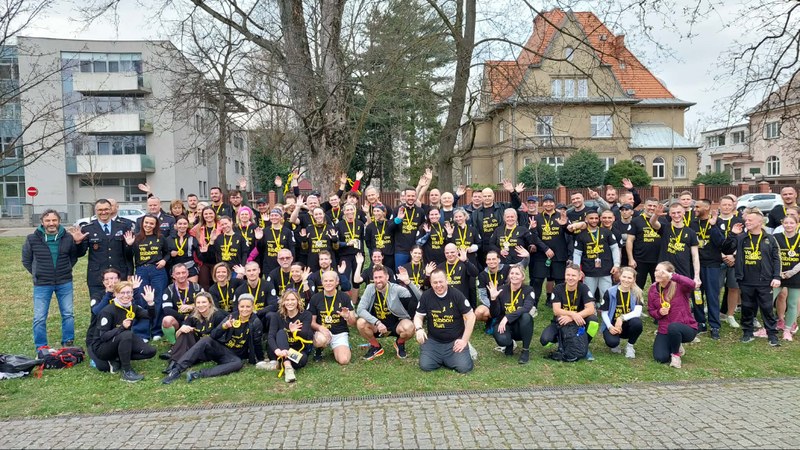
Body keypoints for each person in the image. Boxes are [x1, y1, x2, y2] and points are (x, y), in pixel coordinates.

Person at [161, 294, 264, 384]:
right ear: (238, 306)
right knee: (206, 340)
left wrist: (261, 359)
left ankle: (197, 374)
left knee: (238, 364)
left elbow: (257, 343)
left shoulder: (255, 322)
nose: (244, 309)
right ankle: (176, 370)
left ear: (253, 307)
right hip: (220, 349)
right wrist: (224, 326)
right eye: (242, 306)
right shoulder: (231, 317)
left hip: (234, 355)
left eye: (248, 307)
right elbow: (214, 335)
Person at [722, 209, 782, 346]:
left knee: (767, 308)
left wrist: (776, 276)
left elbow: (776, 259)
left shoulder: (770, 239)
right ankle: (747, 332)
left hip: (765, 280)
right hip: (746, 279)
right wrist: (732, 234)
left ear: (760, 222)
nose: (746, 222)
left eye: (750, 220)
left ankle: (772, 334)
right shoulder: (741, 237)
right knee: (747, 307)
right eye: (746, 220)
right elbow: (726, 250)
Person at [22, 209, 81, 350]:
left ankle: (68, 342)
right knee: (39, 317)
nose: (51, 223)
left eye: (54, 220)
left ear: (59, 221)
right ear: (42, 222)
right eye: (48, 221)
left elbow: (73, 257)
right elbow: (26, 260)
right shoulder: (32, 238)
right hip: (42, 284)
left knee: (68, 314)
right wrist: (37, 273)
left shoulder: (67, 237)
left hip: (64, 281)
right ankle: (41, 347)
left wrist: (65, 268)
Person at [413, 269, 476, 374]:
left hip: (454, 340)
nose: (438, 285)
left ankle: (463, 349)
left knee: (464, 367)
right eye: (435, 282)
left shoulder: (457, 295)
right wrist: (419, 328)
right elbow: (418, 316)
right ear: (431, 283)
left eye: (441, 281)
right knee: (426, 365)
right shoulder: (426, 296)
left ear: (447, 281)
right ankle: (443, 357)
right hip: (434, 340)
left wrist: (464, 340)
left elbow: (471, 317)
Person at [95, 282, 157, 382]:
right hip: (103, 347)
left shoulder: (132, 307)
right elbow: (103, 337)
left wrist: (150, 303)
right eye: (122, 293)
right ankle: (126, 371)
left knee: (150, 351)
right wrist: (122, 327)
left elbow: (150, 316)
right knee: (127, 334)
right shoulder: (107, 311)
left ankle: (118, 359)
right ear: (115, 294)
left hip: (123, 340)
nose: (126, 295)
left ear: (132, 294)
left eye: (129, 292)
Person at [356, 264, 420, 360]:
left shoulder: (396, 288)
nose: (378, 280)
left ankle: (400, 343)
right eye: (375, 277)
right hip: (377, 326)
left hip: (396, 325)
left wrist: (408, 282)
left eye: (380, 277)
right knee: (360, 322)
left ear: (387, 277)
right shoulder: (370, 288)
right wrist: (377, 322)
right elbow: (360, 309)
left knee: (410, 327)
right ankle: (376, 346)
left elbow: (419, 298)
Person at [78, 198, 134, 305]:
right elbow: (81, 253)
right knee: (97, 307)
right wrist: (77, 243)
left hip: (119, 274)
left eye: (106, 209)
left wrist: (129, 245)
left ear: (111, 209)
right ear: (96, 211)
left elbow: (128, 255)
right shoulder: (88, 229)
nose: (103, 212)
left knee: (121, 305)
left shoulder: (122, 226)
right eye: (100, 210)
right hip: (97, 276)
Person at [124, 214, 170, 341]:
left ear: (155, 225)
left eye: (151, 223)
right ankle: (142, 332)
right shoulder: (136, 238)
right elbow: (128, 257)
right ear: (142, 223)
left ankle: (156, 330)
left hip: (158, 271)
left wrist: (164, 261)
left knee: (157, 299)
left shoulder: (161, 238)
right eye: (146, 223)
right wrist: (128, 245)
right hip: (141, 271)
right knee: (141, 300)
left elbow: (167, 253)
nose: (148, 225)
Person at [540, 264, 598, 360]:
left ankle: (584, 346)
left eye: (573, 275)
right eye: (568, 275)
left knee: (593, 320)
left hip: (579, 321)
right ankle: (564, 342)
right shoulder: (558, 288)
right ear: (565, 275)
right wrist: (572, 314)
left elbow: (591, 309)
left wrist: (574, 317)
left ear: (580, 277)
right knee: (545, 341)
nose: (570, 278)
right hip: (561, 321)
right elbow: (556, 310)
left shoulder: (583, 288)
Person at [648, 262, 698, 368]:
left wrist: (673, 276)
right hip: (664, 329)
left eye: (661, 272)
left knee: (674, 327)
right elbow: (651, 310)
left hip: (686, 327)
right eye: (656, 270)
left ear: (670, 273)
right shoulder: (653, 289)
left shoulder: (679, 285)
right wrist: (659, 312)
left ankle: (676, 355)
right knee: (660, 358)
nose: (657, 273)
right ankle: (676, 344)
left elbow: (692, 284)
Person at [162, 292, 227, 374]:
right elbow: (178, 336)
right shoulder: (194, 315)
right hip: (197, 347)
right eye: (198, 303)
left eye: (204, 302)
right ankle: (173, 363)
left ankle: (176, 360)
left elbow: (222, 337)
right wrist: (181, 330)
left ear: (210, 303)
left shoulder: (218, 315)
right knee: (185, 332)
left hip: (212, 348)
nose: (201, 305)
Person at [486, 264, 535, 364]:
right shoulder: (502, 289)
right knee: (502, 340)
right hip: (504, 325)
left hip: (520, 326)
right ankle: (509, 344)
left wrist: (507, 317)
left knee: (526, 317)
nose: (514, 276)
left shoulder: (528, 290)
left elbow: (526, 308)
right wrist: (493, 299)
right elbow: (495, 314)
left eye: (517, 273)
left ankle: (525, 351)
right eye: (512, 273)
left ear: (523, 277)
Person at [569, 210, 620, 302]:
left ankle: (606, 312)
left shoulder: (607, 232)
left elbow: (615, 249)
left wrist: (616, 264)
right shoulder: (581, 235)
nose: (594, 220)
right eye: (591, 218)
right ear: (586, 219)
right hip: (588, 270)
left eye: (596, 218)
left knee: (606, 293)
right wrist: (578, 270)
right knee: (589, 294)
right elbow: (577, 254)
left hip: (606, 269)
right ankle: (591, 312)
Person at [691, 199, 725, 339]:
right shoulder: (693, 224)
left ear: (707, 207)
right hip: (696, 266)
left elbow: (721, 243)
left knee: (712, 296)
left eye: (697, 207)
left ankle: (715, 325)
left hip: (712, 266)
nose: (695, 209)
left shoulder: (718, 222)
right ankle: (700, 322)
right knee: (697, 295)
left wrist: (713, 226)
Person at [471, 181, 523, 269]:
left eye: (489, 196)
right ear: (482, 198)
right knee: (486, 271)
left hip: (500, 246)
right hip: (484, 248)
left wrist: (512, 192)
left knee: (501, 270)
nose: (487, 198)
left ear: (493, 196)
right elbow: (475, 230)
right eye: (485, 196)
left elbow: (516, 204)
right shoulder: (476, 213)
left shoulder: (502, 207)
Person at [528, 194, 569, 306]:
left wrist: (565, 224)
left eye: (551, 201)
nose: (548, 204)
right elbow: (534, 237)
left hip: (559, 255)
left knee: (560, 281)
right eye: (546, 202)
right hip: (541, 255)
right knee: (537, 280)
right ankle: (533, 305)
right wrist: (545, 248)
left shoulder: (561, 216)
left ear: (554, 203)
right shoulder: (537, 217)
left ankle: (562, 304)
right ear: (542, 204)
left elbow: (570, 232)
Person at [309, 270, 357, 364]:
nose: (328, 283)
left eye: (331, 281)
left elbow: (353, 323)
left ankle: (342, 347)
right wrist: (320, 328)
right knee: (320, 340)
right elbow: (311, 322)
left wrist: (347, 317)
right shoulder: (315, 298)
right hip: (323, 332)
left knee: (344, 360)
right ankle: (319, 350)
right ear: (322, 282)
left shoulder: (345, 297)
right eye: (325, 281)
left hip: (339, 333)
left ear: (337, 282)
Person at [267, 290, 315, 383]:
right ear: (283, 302)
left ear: (298, 301)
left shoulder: (306, 315)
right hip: (280, 350)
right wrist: (277, 351)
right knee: (281, 333)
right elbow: (271, 336)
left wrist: (295, 332)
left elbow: (305, 334)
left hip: (297, 351)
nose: (290, 302)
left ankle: (280, 364)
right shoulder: (277, 316)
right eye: (287, 300)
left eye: (293, 299)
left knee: (303, 360)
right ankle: (288, 368)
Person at [600, 267, 644, 358]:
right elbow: (604, 312)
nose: (626, 280)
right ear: (620, 277)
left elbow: (637, 312)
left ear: (634, 279)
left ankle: (630, 346)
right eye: (624, 277)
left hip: (628, 325)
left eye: (629, 278)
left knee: (637, 323)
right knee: (612, 343)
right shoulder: (610, 292)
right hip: (613, 325)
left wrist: (621, 318)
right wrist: (609, 326)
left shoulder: (637, 292)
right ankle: (615, 343)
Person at [717, 195, 744, 329]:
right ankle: (715, 313)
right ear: (719, 206)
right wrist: (722, 255)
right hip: (717, 259)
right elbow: (711, 241)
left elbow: (743, 241)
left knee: (734, 288)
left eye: (729, 205)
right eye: (724, 204)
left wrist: (733, 256)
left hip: (734, 260)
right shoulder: (714, 221)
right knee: (716, 288)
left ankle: (730, 315)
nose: (727, 207)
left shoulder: (739, 221)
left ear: (734, 206)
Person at [160, 263, 204, 345]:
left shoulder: (197, 287)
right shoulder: (169, 290)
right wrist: (184, 317)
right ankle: (174, 344)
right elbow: (167, 310)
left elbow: (206, 305)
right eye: (178, 273)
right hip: (179, 319)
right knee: (166, 320)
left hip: (195, 319)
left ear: (187, 273)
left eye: (183, 272)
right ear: (173, 275)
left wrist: (192, 307)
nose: (181, 275)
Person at [627, 197, 664, 289]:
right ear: (644, 206)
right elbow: (629, 240)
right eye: (649, 205)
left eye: (654, 206)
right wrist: (631, 259)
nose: (651, 208)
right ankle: (637, 303)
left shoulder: (663, 220)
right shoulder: (636, 221)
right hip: (640, 260)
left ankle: (658, 303)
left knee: (660, 287)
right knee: (637, 287)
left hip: (658, 260)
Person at [774, 214, 800, 340]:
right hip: (778, 275)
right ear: (782, 224)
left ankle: (788, 329)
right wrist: (778, 273)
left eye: (792, 223)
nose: (789, 225)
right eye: (786, 223)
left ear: (797, 224)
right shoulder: (776, 237)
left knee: (792, 303)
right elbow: (772, 256)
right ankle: (768, 327)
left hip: (795, 275)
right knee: (768, 300)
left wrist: (791, 272)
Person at [394, 188, 426, 269]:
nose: (411, 198)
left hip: (416, 250)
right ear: (404, 196)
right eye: (408, 196)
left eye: (413, 196)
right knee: (400, 274)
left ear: (416, 197)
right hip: (401, 250)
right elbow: (390, 228)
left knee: (416, 273)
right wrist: (398, 219)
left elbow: (423, 228)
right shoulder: (398, 209)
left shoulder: (420, 211)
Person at [167, 216, 200, 282]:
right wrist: (170, 254)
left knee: (192, 289)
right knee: (178, 291)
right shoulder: (169, 239)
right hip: (176, 268)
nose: (182, 226)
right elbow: (165, 255)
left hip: (190, 267)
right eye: (180, 224)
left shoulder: (192, 238)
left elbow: (199, 255)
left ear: (188, 225)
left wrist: (204, 251)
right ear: (175, 225)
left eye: (185, 224)